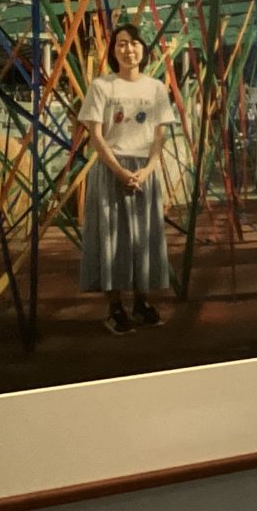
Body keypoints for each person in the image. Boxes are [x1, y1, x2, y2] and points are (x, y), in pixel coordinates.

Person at [76, 20, 172, 334]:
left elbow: (159, 135)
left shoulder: (156, 88)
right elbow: (96, 135)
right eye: (121, 43)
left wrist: (148, 169)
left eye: (133, 42)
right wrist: (119, 171)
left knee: (144, 238)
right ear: (113, 50)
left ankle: (142, 304)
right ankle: (115, 307)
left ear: (143, 48)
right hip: (111, 169)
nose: (128, 49)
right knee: (112, 238)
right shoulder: (102, 86)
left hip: (144, 171)